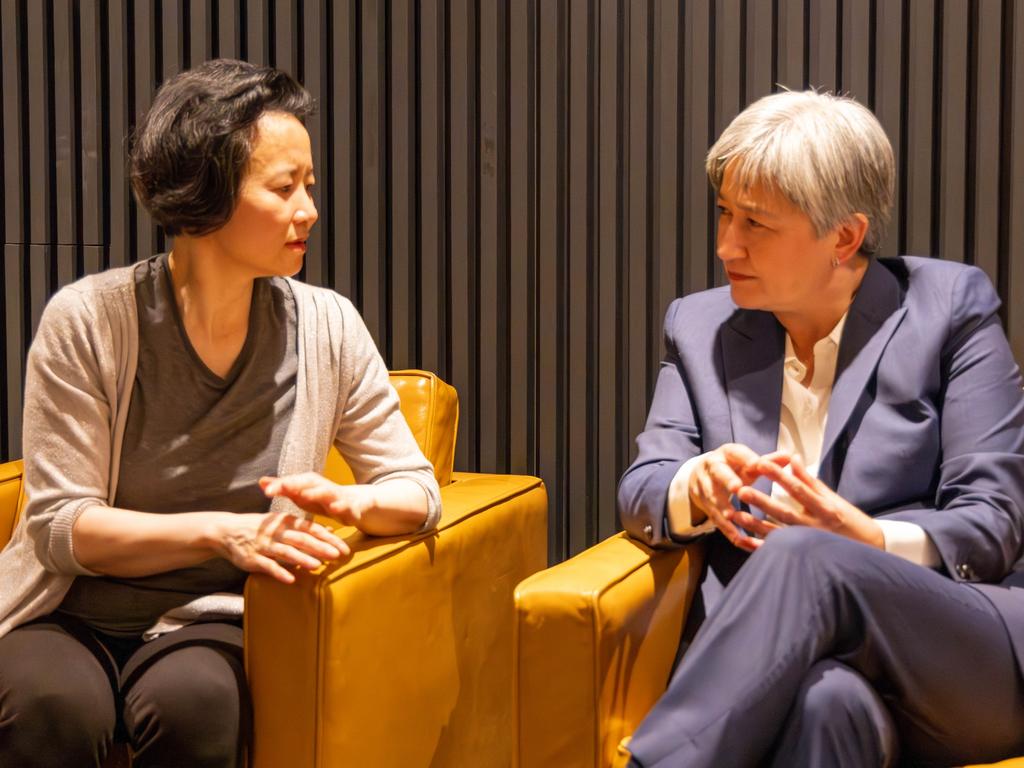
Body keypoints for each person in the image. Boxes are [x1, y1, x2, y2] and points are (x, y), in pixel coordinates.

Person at [0, 59, 441, 768]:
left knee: (197, 702)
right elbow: (60, 529)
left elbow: (417, 495)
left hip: (209, 621)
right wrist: (224, 532)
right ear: (205, 193)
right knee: (49, 705)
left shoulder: (327, 326)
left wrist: (346, 499)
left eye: (311, 186)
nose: (310, 211)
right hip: (67, 611)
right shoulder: (88, 320)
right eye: (283, 187)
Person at [617, 90, 1024, 767]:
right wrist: (697, 485)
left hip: (954, 659)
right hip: (799, 666)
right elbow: (644, 485)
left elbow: (992, 523)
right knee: (825, 707)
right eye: (723, 212)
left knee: (804, 553)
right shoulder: (700, 328)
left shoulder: (950, 309)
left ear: (845, 236)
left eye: (756, 223)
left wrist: (862, 540)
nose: (726, 245)